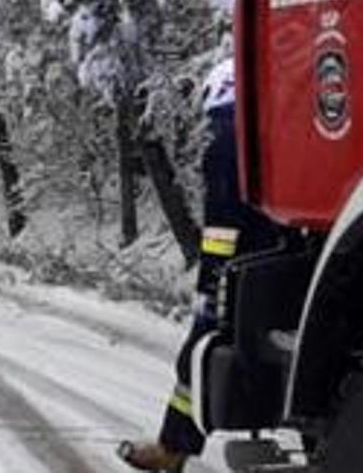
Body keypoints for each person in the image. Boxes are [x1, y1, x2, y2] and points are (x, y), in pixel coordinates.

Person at [120, 60, 285, 471]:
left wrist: (211, 284)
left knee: (200, 351)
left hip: (241, 270)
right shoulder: (273, 134)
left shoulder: (227, 141)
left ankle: (172, 448)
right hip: (279, 264)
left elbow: (222, 225)